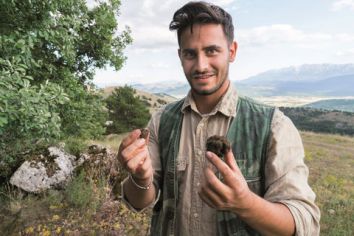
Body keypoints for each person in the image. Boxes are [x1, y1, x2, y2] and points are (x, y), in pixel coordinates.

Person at [115, 1, 320, 235]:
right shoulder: (162, 121)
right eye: (190, 53)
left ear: (231, 51)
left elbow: (305, 222)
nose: (201, 65)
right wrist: (140, 178)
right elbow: (140, 201)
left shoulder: (274, 126)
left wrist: (246, 203)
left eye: (211, 51)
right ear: (180, 56)